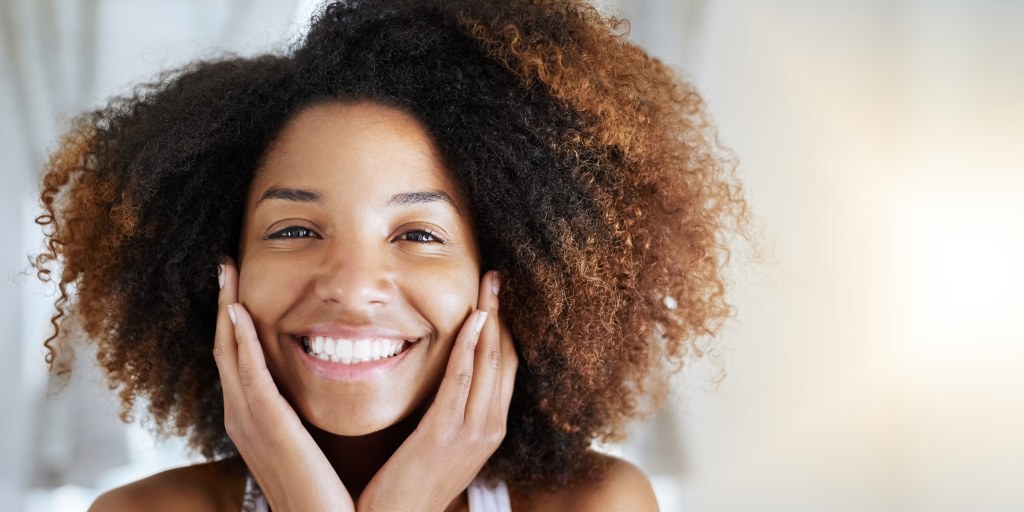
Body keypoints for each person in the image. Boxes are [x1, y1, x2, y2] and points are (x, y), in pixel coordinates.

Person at [35, 0, 747, 510]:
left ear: (508, 279)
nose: (351, 287)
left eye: (418, 236)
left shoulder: (596, 505)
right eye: (294, 230)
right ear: (219, 271)